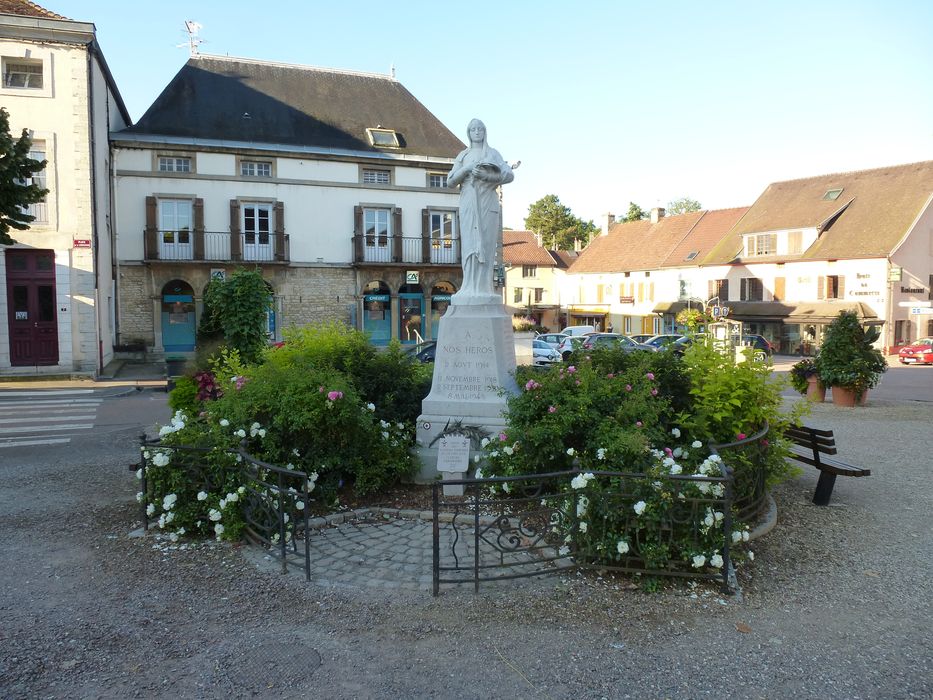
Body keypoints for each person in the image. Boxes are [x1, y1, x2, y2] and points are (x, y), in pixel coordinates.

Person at [447, 119, 514, 304]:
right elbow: (450, 181)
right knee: (470, 244)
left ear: (485, 132)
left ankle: (484, 287)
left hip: (488, 202)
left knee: (486, 244)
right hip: (468, 199)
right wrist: (467, 169)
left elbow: (509, 174)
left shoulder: (492, 153)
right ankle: (468, 286)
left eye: (480, 129)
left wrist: (487, 176)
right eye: (473, 129)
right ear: (468, 133)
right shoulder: (463, 155)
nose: (477, 132)